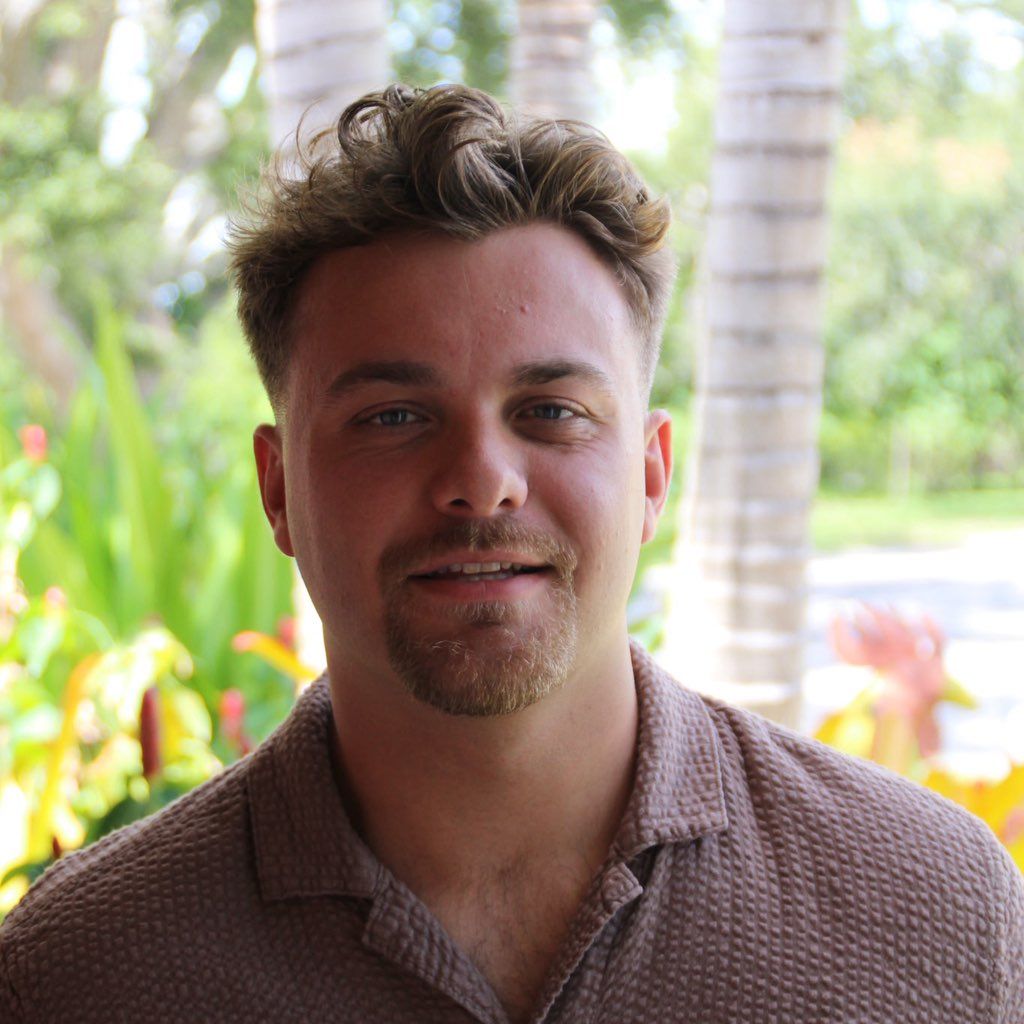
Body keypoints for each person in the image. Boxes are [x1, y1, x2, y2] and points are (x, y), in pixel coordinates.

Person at [1, 83, 1021, 1024]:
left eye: (551, 411)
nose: (482, 481)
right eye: (393, 416)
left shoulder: (939, 913)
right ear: (279, 491)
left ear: (651, 474)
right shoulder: (77, 974)